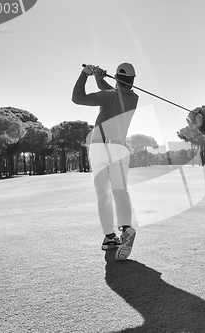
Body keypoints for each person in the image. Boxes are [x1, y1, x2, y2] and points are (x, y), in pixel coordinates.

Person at [72, 63, 138, 260]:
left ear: (116, 78)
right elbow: (112, 90)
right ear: (133, 80)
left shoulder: (109, 96)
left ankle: (110, 237)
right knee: (120, 190)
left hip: (99, 147)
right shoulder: (133, 98)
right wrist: (99, 78)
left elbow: (77, 98)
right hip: (118, 148)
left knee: (103, 194)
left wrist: (86, 74)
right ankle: (125, 229)